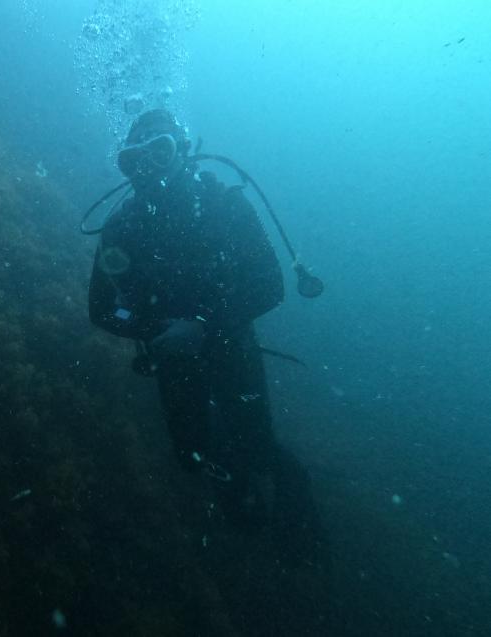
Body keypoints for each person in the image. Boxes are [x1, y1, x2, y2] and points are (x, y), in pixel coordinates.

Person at [88, 109, 322, 560]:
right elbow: (100, 309)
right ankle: (231, 480)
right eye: (136, 158)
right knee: (190, 456)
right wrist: (155, 330)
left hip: (232, 346)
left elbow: (271, 285)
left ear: (184, 152)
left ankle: (288, 493)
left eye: (162, 151)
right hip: (172, 358)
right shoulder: (123, 225)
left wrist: (200, 327)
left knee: (256, 449)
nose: (150, 167)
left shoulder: (225, 206)